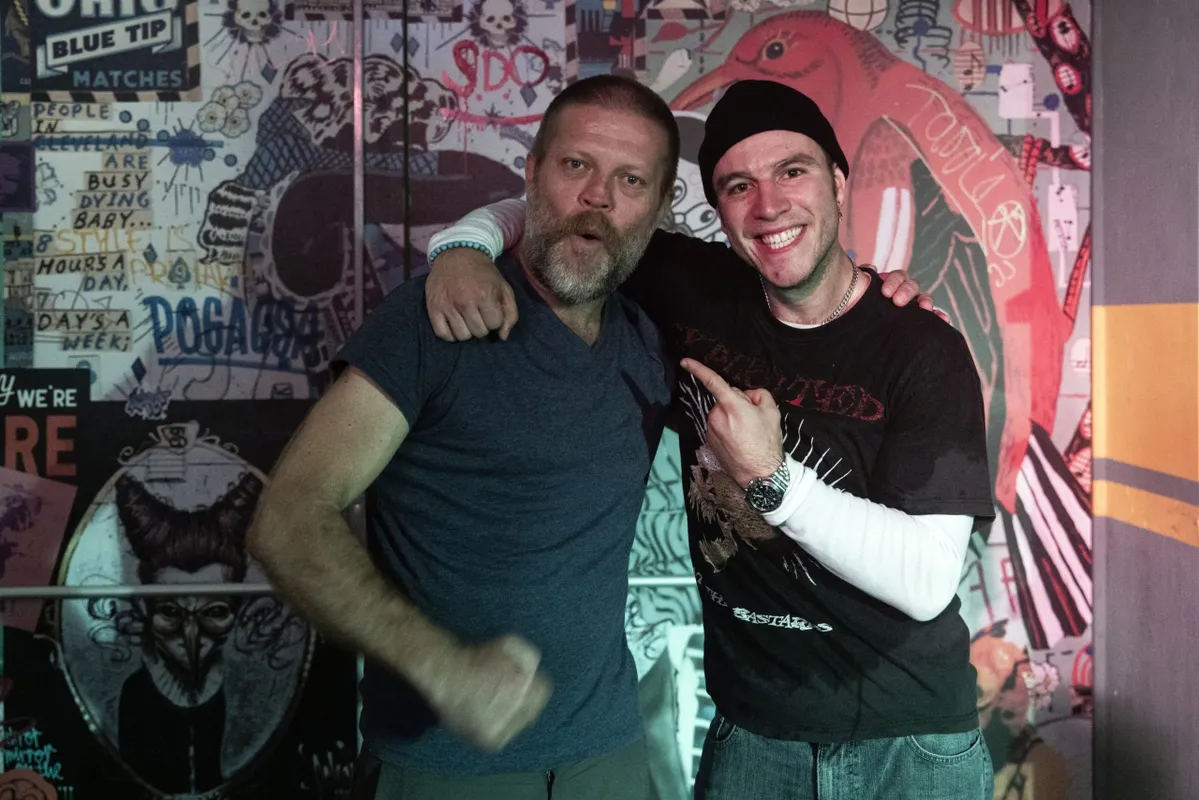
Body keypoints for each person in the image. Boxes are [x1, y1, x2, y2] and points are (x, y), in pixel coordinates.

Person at [421, 79, 996, 799]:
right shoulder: (693, 288)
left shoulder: (921, 349)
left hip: (904, 744)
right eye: (737, 186)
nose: (768, 205)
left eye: (792, 171)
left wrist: (770, 479)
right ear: (716, 211)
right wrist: (463, 248)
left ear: (838, 183)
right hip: (751, 734)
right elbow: (566, 215)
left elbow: (926, 581)